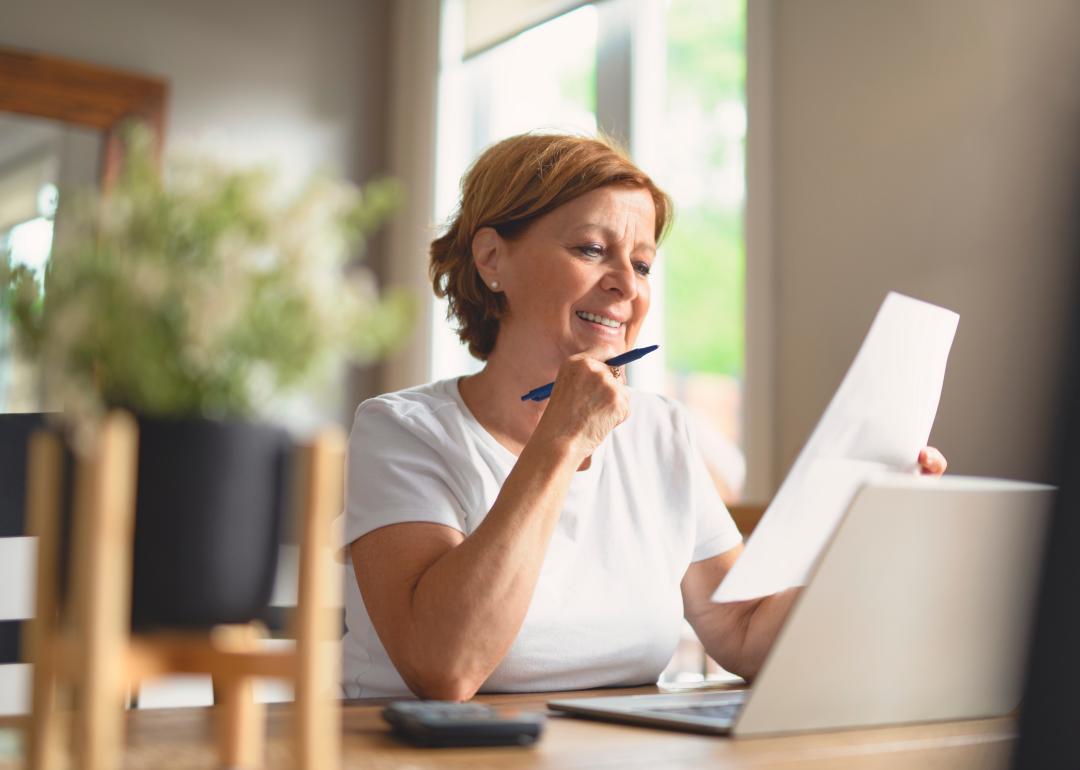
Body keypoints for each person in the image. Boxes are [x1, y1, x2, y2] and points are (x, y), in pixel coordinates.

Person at [340, 133, 947, 700]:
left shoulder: (662, 431)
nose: (625, 287)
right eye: (591, 250)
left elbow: (743, 629)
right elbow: (446, 666)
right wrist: (563, 438)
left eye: (642, 264)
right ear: (493, 259)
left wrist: (868, 525)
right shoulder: (402, 430)